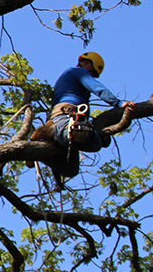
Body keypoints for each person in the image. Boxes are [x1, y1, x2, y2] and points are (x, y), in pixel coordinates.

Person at [30, 52, 134, 185]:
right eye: (92, 73)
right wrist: (118, 103)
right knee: (95, 144)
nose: (92, 77)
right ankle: (50, 131)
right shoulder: (77, 71)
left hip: (67, 119)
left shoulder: (70, 78)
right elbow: (97, 88)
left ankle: (43, 148)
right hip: (66, 116)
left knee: (70, 169)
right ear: (86, 63)